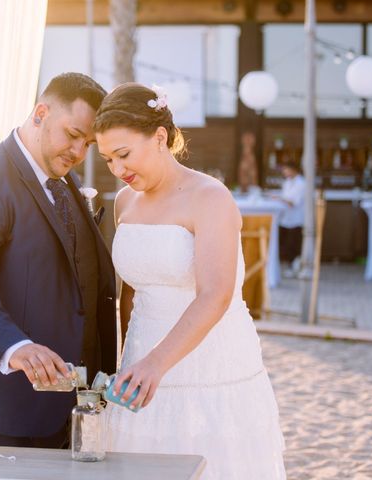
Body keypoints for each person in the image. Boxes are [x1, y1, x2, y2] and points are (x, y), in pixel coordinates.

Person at [93, 83, 285, 479]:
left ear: (160, 137)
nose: (117, 170)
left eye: (124, 155)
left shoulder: (210, 197)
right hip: (140, 359)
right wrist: (130, 360)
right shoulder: (125, 202)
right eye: (108, 159)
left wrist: (157, 363)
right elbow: (130, 294)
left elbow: (216, 294)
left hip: (208, 364)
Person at [0, 72, 117, 448]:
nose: (79, 152)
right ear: (40, 113)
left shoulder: (65, 180)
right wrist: (15, 347)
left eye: (89, 143)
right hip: (3, 404)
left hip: (73, 406)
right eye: (72, 134)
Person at [275, 160, 305, 277]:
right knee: (285, 243)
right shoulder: (287, 182)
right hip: (285, 218)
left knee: (293, 244)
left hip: (296, 218)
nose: (284, 172)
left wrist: (278, 198)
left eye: (286, 169)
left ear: (293, 170)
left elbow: (293, 202)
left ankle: (294, 267)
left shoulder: (302, 183)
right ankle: (288, 266)